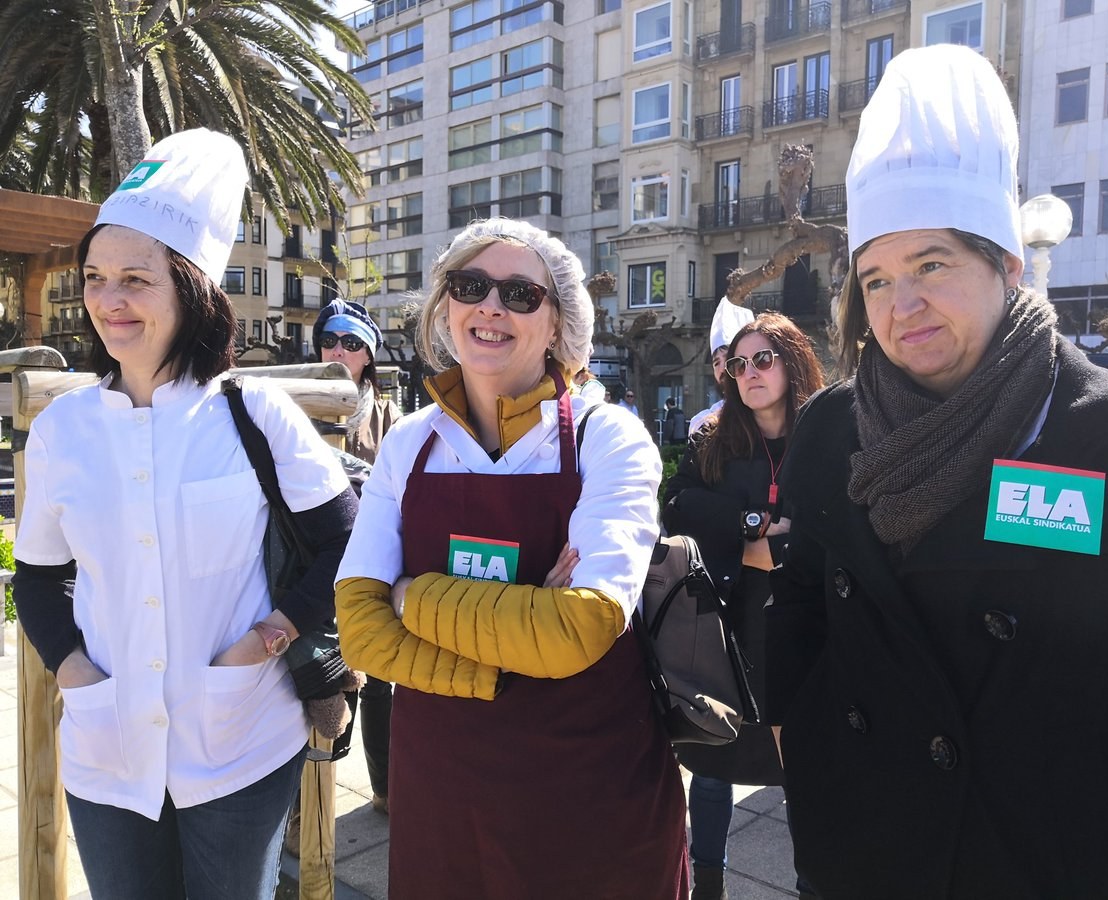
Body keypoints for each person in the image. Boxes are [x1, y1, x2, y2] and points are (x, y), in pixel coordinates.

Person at [765, 44, 1108, 899]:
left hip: (1061, 864)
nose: (901, 305)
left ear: (1006, 264)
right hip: (866, 861)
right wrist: (807, 768)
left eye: (932, 265)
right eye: (878, 277)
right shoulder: (828, 429)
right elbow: (801, 605)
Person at [12, 129, 356, 900]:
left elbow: (348, 542)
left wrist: (268, 638)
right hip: (110, 750)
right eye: (96, 277)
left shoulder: (254, 412)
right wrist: (76, 673)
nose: (108, 299)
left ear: (191, 289)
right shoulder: (64, 430)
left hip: (240, 738)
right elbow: (35, 581)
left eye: (136, 278)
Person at [334, 217, 688, 899]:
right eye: (471, 286)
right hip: (443, 799)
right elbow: (359, 630)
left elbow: (578, 629)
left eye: (521, 294)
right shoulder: (411, 443)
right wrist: (522, 633)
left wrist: (410, 598)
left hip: (590, 795)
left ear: (558, 325)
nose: (491, 307)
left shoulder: (606, 438)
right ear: (446, 307)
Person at [664, 313, 824, 900]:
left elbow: (849, 513)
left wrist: (780, 549)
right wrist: (749, 527)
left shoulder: (828, 430)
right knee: (714, 759)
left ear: (792, 361)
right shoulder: (717, 436)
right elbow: (678, 502)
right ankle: (708, 886)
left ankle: (814, 880)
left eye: (763, 359)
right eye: (738, 363)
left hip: (806, 619)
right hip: (731, 618)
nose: (749, 372)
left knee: (807, 767)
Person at [313, 298, 400, 814]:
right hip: (316, 558)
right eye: (329, 340)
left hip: (373, 558)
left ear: (368, 353)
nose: (338, 351)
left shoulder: (389, 413)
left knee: (382, 682)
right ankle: (310, 800)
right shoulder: (298, 403)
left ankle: (387, 787)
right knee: (323, 677)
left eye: (351, 342)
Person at [690, 297, 754, 435]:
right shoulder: (703, 424)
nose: (722, 369)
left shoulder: (770, 418)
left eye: (728, 358)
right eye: (716, 362)